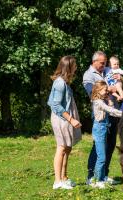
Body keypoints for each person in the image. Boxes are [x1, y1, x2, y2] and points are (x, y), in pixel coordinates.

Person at [83, 51, 120, 185]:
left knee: (110, 144)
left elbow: (118, 79)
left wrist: (118, 80)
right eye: (102, 63)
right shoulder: (88, 76)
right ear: (94, 61)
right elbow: (92, 93)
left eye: (105, 63)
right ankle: (91, 176)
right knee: (98, 146)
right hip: (101, 114)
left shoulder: (107, 70)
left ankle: (104, 175)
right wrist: (109, 89)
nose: (104, 65)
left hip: (113, 112)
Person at [47, 55, 82, 190]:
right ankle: (57, 181)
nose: (76, 68)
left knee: (68, 147)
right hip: (61, 119)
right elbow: (55, 105)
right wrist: (71, 119)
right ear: (68, 67)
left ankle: (64, 177)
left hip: (66, 118)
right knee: (61, 148)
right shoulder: (60, 83)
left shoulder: (65, 82)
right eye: (74, 65)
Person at [89, 80, 122, 188]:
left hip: (103, 129)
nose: (107, 92)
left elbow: (110, 107)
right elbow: (110, 110)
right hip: (99, 129)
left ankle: (101, 179)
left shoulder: (102, 100)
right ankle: (98, 181)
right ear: (98, 90)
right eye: (105, 90)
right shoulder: (98, 102)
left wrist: (109, 99)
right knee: (101, 157)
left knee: (102, 155)